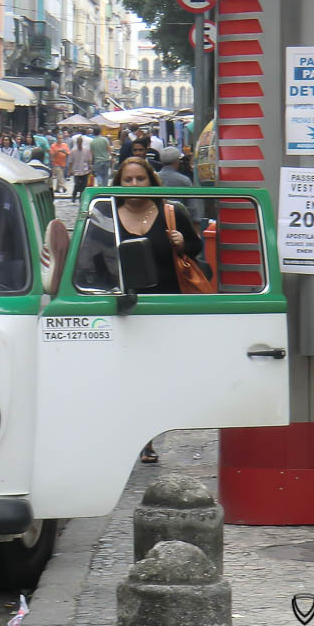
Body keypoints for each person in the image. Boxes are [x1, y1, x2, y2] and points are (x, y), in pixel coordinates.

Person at [112, 156, 203, 464]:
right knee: (128, 377)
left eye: (141, 179)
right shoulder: (107, 214)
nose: (135, 185)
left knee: (154, 378)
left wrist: (182, 243)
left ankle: (147, 437)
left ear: (151, 181)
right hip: (124, 309)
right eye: (129, 179)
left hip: (166, 308)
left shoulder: (171, 212)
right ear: (119, 183)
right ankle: (132, 435)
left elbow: (196, 247)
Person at [67, 136, 93, 200]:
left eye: (80, 142)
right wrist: (70, 170)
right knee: (77, 184)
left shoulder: (86, 150)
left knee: (84, 185)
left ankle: (81, 197)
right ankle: (74, 195)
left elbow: (89, 160)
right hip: (76, 170)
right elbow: (71, 161)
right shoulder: (73, 151)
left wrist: (90, 167)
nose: (79, 143)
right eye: (78, 142)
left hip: (85, 170)